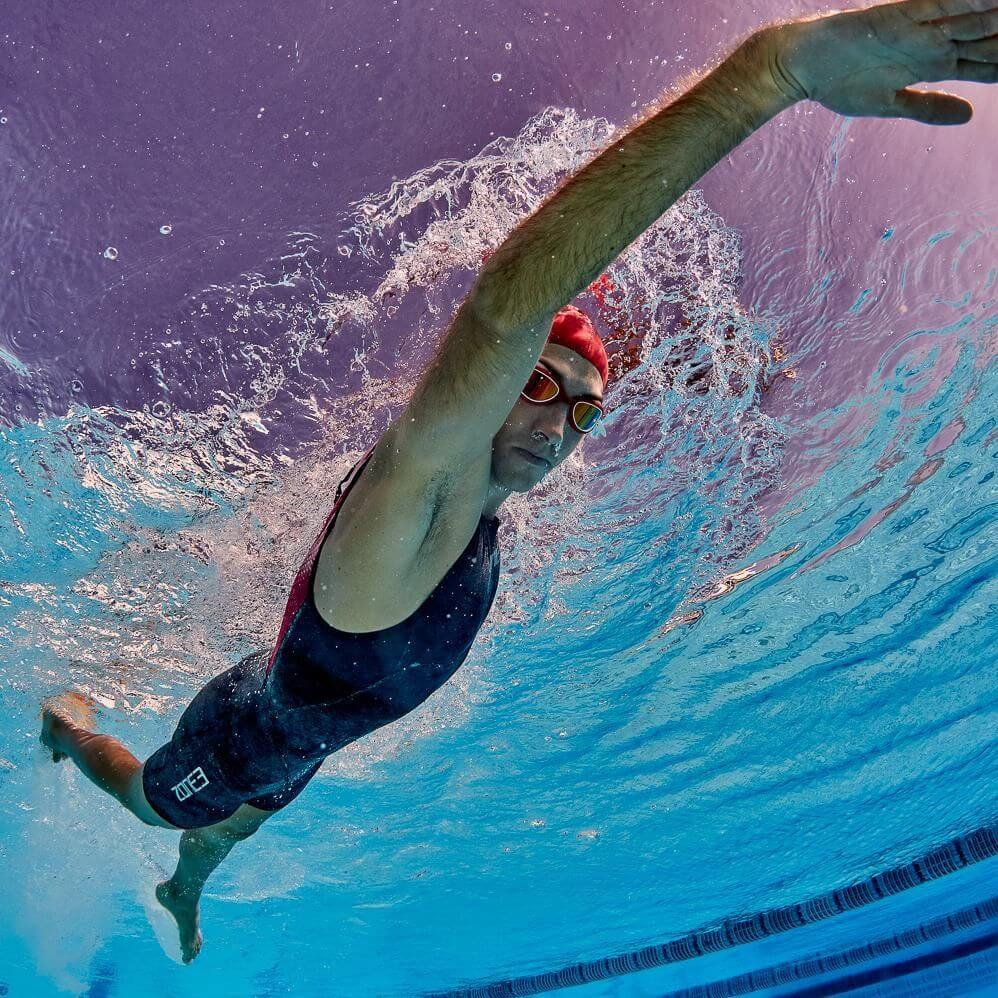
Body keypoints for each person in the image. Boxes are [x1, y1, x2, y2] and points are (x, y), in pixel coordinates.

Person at [39, 0, 998, 962]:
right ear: (491, 389)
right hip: (241, 731)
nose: (560, 425)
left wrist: (715, 367)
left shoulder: (487, 508)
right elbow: (506, 310)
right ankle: (67, 725)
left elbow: (566, 365)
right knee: (155, 804)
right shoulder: (413, 504)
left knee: (233, 831)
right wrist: (770, 76)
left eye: (582, 411)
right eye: (538, 387)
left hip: (303, 747)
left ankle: (183, 890)